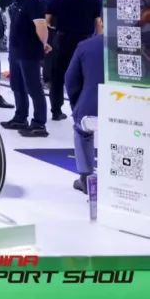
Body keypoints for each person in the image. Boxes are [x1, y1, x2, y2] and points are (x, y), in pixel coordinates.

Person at [45, 0, 102, 122]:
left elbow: (47, 21)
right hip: (85, 42)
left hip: (62, 40)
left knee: (58, 77)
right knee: (84, 77)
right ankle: (80, 110)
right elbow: (98, 24)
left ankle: (56, 111)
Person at [0, 0, 51, 138]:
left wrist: (43, 44)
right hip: (15, 51)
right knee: (17, 86)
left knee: (33, 87)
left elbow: (41, 26)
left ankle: (39, 123)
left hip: (29, 51)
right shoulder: (15, 2)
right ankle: (20, 117)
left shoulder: (32, 1)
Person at [65, 33, 104, 194]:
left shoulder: (86, 46)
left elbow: (70, 79)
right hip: (136, 109)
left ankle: (86, 178)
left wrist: (77, 106)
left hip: (91, 110)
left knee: (82, 132)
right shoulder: (143, 44)